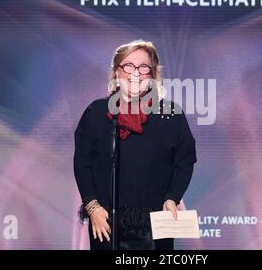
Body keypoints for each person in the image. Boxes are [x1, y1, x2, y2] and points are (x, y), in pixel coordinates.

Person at [74, 39, 197, 250]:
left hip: (156, 224)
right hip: (106, 223)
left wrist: (172, 198)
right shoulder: (96, 112)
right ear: (116, 72)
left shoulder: (170, 114)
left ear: (153, 74)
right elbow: (82, 162)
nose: (135, 73)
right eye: (128, 66)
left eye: (143, 67)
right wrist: (92, 206)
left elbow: (185, 160)